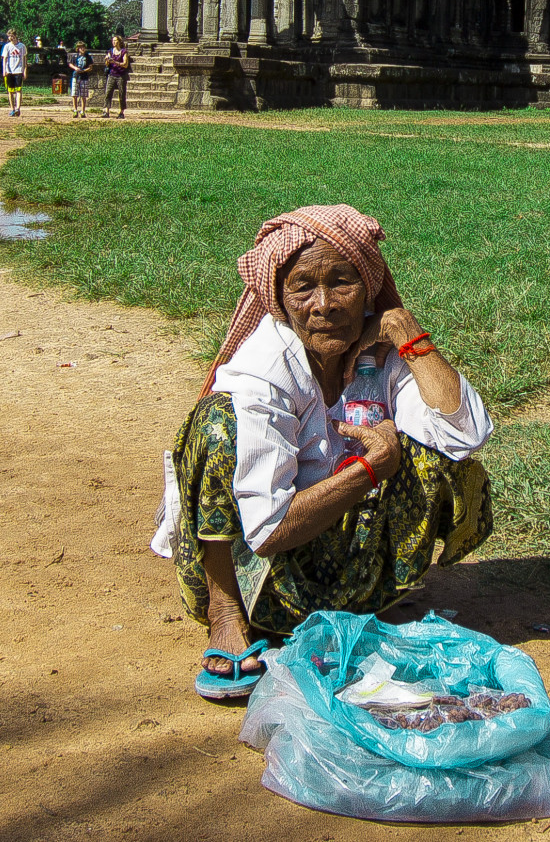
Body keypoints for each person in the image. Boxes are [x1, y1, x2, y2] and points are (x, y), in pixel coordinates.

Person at [152, 204, 495, 699]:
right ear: (280, 300)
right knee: (216, 426)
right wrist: (368, 470)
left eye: (342, 282)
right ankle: (223, 613)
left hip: (350, 574)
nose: (324, 304)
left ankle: (363, 609)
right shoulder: (265, 368)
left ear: (369, 290)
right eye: (303, 287)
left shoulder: (381, 352)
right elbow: (268, 530)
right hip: (264, 587)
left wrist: (405, 333)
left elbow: (466, 435)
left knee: (439, 458)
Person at [1, 29, 27, 117]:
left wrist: (25, 71)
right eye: (9, 36)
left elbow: (24, 59)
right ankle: (12, 108)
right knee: (10, 91)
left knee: (18, 90)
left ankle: (18, 108)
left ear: (15, 36)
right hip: (10, 71)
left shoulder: (22, 46)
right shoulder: (7, 46)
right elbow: (4, 59)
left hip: (19, 70)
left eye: (12, 36)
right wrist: (4, 70)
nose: (10, 38)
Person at [103, 35, 130, 119]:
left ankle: (121, 112)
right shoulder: (110, 51)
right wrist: (107, 60)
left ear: (119, 42)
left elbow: (125, 65)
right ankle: (106, 111)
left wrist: (115, 62)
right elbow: (107, 64)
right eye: (113, 40)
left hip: (121, 75)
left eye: (115, 40)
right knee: (108, 93)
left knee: (121, 94)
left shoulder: (123, 52)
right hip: (112, 74)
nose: (113, 42)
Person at [68, 40, 93, 118]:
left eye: (83, 47)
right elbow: (70, 64)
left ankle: (83, 110)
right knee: (74, 94)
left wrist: (84, 70)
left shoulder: (88, 57)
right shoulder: (75, 56)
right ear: (78, 48)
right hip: (76, 76)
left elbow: (91, 67)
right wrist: (75, 68)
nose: (82, 49)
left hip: (84, 77)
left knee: (83, 95)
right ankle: (75, 110)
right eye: (80, 47)